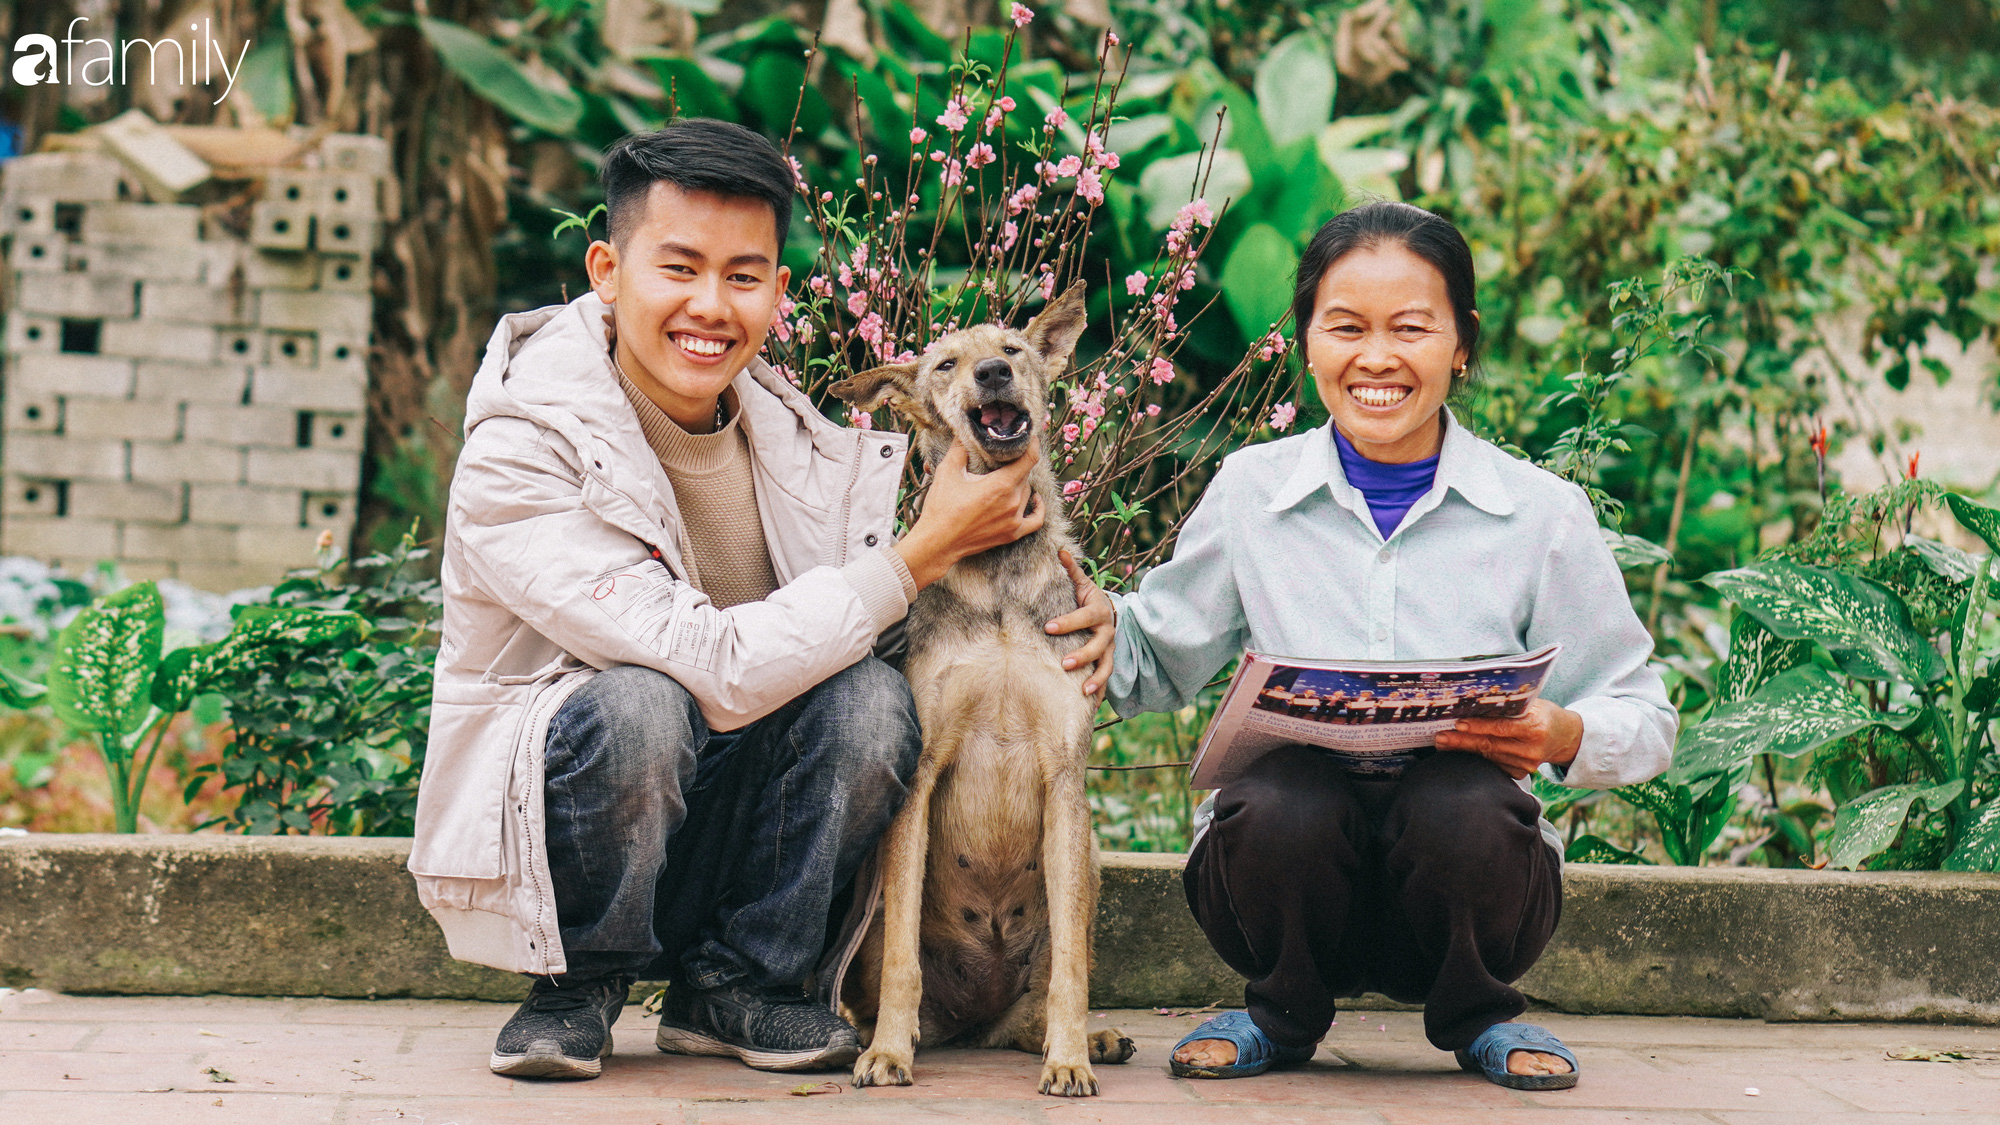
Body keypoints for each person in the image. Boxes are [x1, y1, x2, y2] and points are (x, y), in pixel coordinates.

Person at [408, 119, 1112, 1083]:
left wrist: (1073, 613)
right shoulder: (521, 444)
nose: (710, 303)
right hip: (589, 826)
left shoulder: (798, 441)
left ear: (779, 293)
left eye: (743, 275)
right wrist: (927, 544)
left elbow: (878, 632)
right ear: (606, 270)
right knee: (642, 700)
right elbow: (708, 664)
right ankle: (578, 985)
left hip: (729, 822)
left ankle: (740, 983)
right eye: (679, 267)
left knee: (872, 700)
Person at [1084, 201, 1675, 1089]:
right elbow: (1154, 655)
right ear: (1308, 342)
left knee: (1463, 801)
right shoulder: (1253, 491)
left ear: (1461, 343)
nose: (1377, 358)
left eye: (1411, 328)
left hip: (1466, 888)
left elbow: (1646, 713)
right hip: (1281, 880)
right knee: (1281, 794)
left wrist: (1561, 735)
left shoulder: (1542, 513)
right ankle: (1278, 1015)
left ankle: (1479, 1015)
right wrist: (1083, 621)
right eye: (1346, 327)